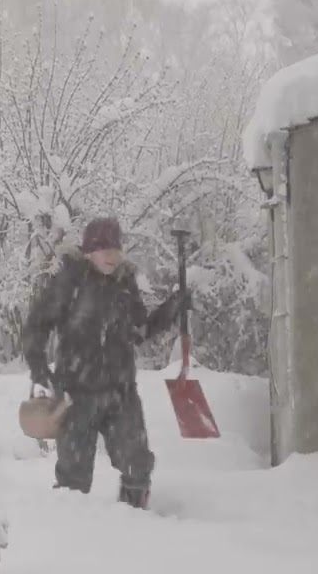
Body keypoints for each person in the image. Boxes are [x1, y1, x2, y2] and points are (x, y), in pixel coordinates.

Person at [21, 216, 188, 509]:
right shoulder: (70, 282)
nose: (111, 255)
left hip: (119, 393)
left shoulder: (124, 284)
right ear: (88, 251)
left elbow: (140, 331)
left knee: (137, 465)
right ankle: (72, 535)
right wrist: (38, 368)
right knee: (74, 477)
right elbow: (37, 324)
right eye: (102, 249)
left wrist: (171, 308)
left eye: (115, 248)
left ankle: (135, 523)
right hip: (76, 394)